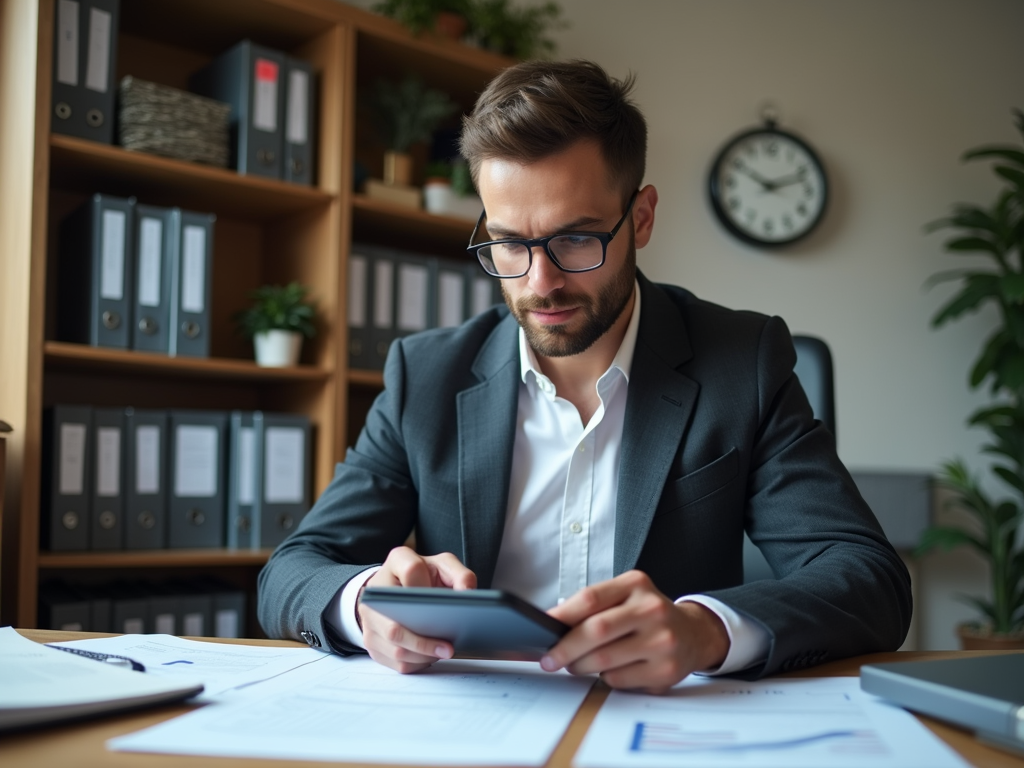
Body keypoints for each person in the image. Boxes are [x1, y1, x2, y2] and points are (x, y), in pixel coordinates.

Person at [258, 59, 911, 693]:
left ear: (642, 218)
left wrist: (704, 630)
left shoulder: (744, 362)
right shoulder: (425, 375)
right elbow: (293, 570)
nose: (541, 283)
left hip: (665, 729)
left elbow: (868, 578)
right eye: (510, 242)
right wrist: (365, 604)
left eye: (576, 239)